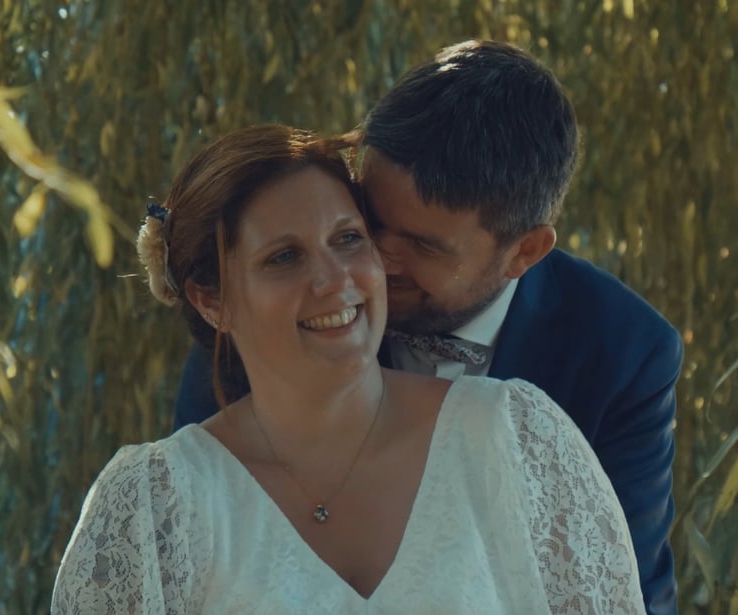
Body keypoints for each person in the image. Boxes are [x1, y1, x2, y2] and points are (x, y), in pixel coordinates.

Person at [174, 42, 684, 614]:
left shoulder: (623, 352)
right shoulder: (273, 321)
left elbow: (627, 589)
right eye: (369, 221)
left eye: (422, 245)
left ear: (524, 252)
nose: (373, 263)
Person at [52, 124, 645, 613]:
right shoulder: (155, 507)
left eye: (348, 239)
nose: (334, 280)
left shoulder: (517, 440)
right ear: (213, 300)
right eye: (284, 257)